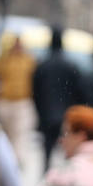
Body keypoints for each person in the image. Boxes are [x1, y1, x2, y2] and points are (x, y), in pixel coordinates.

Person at [31, 27, 86, 170]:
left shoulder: (42, 65)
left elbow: (34, 92)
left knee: (47, 152)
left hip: (47, 113)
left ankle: (48, 175)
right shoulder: (71, 65)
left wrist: (40, 111)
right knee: (68, 151)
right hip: (66, 115)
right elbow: (80, 91)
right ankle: (68, 175)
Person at [0, 33, 37, 155]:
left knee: (20, 136)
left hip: (22, 102)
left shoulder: (28, 60)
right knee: (5, 136)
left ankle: (16, 159)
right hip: (4, 101)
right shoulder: (3, 60)